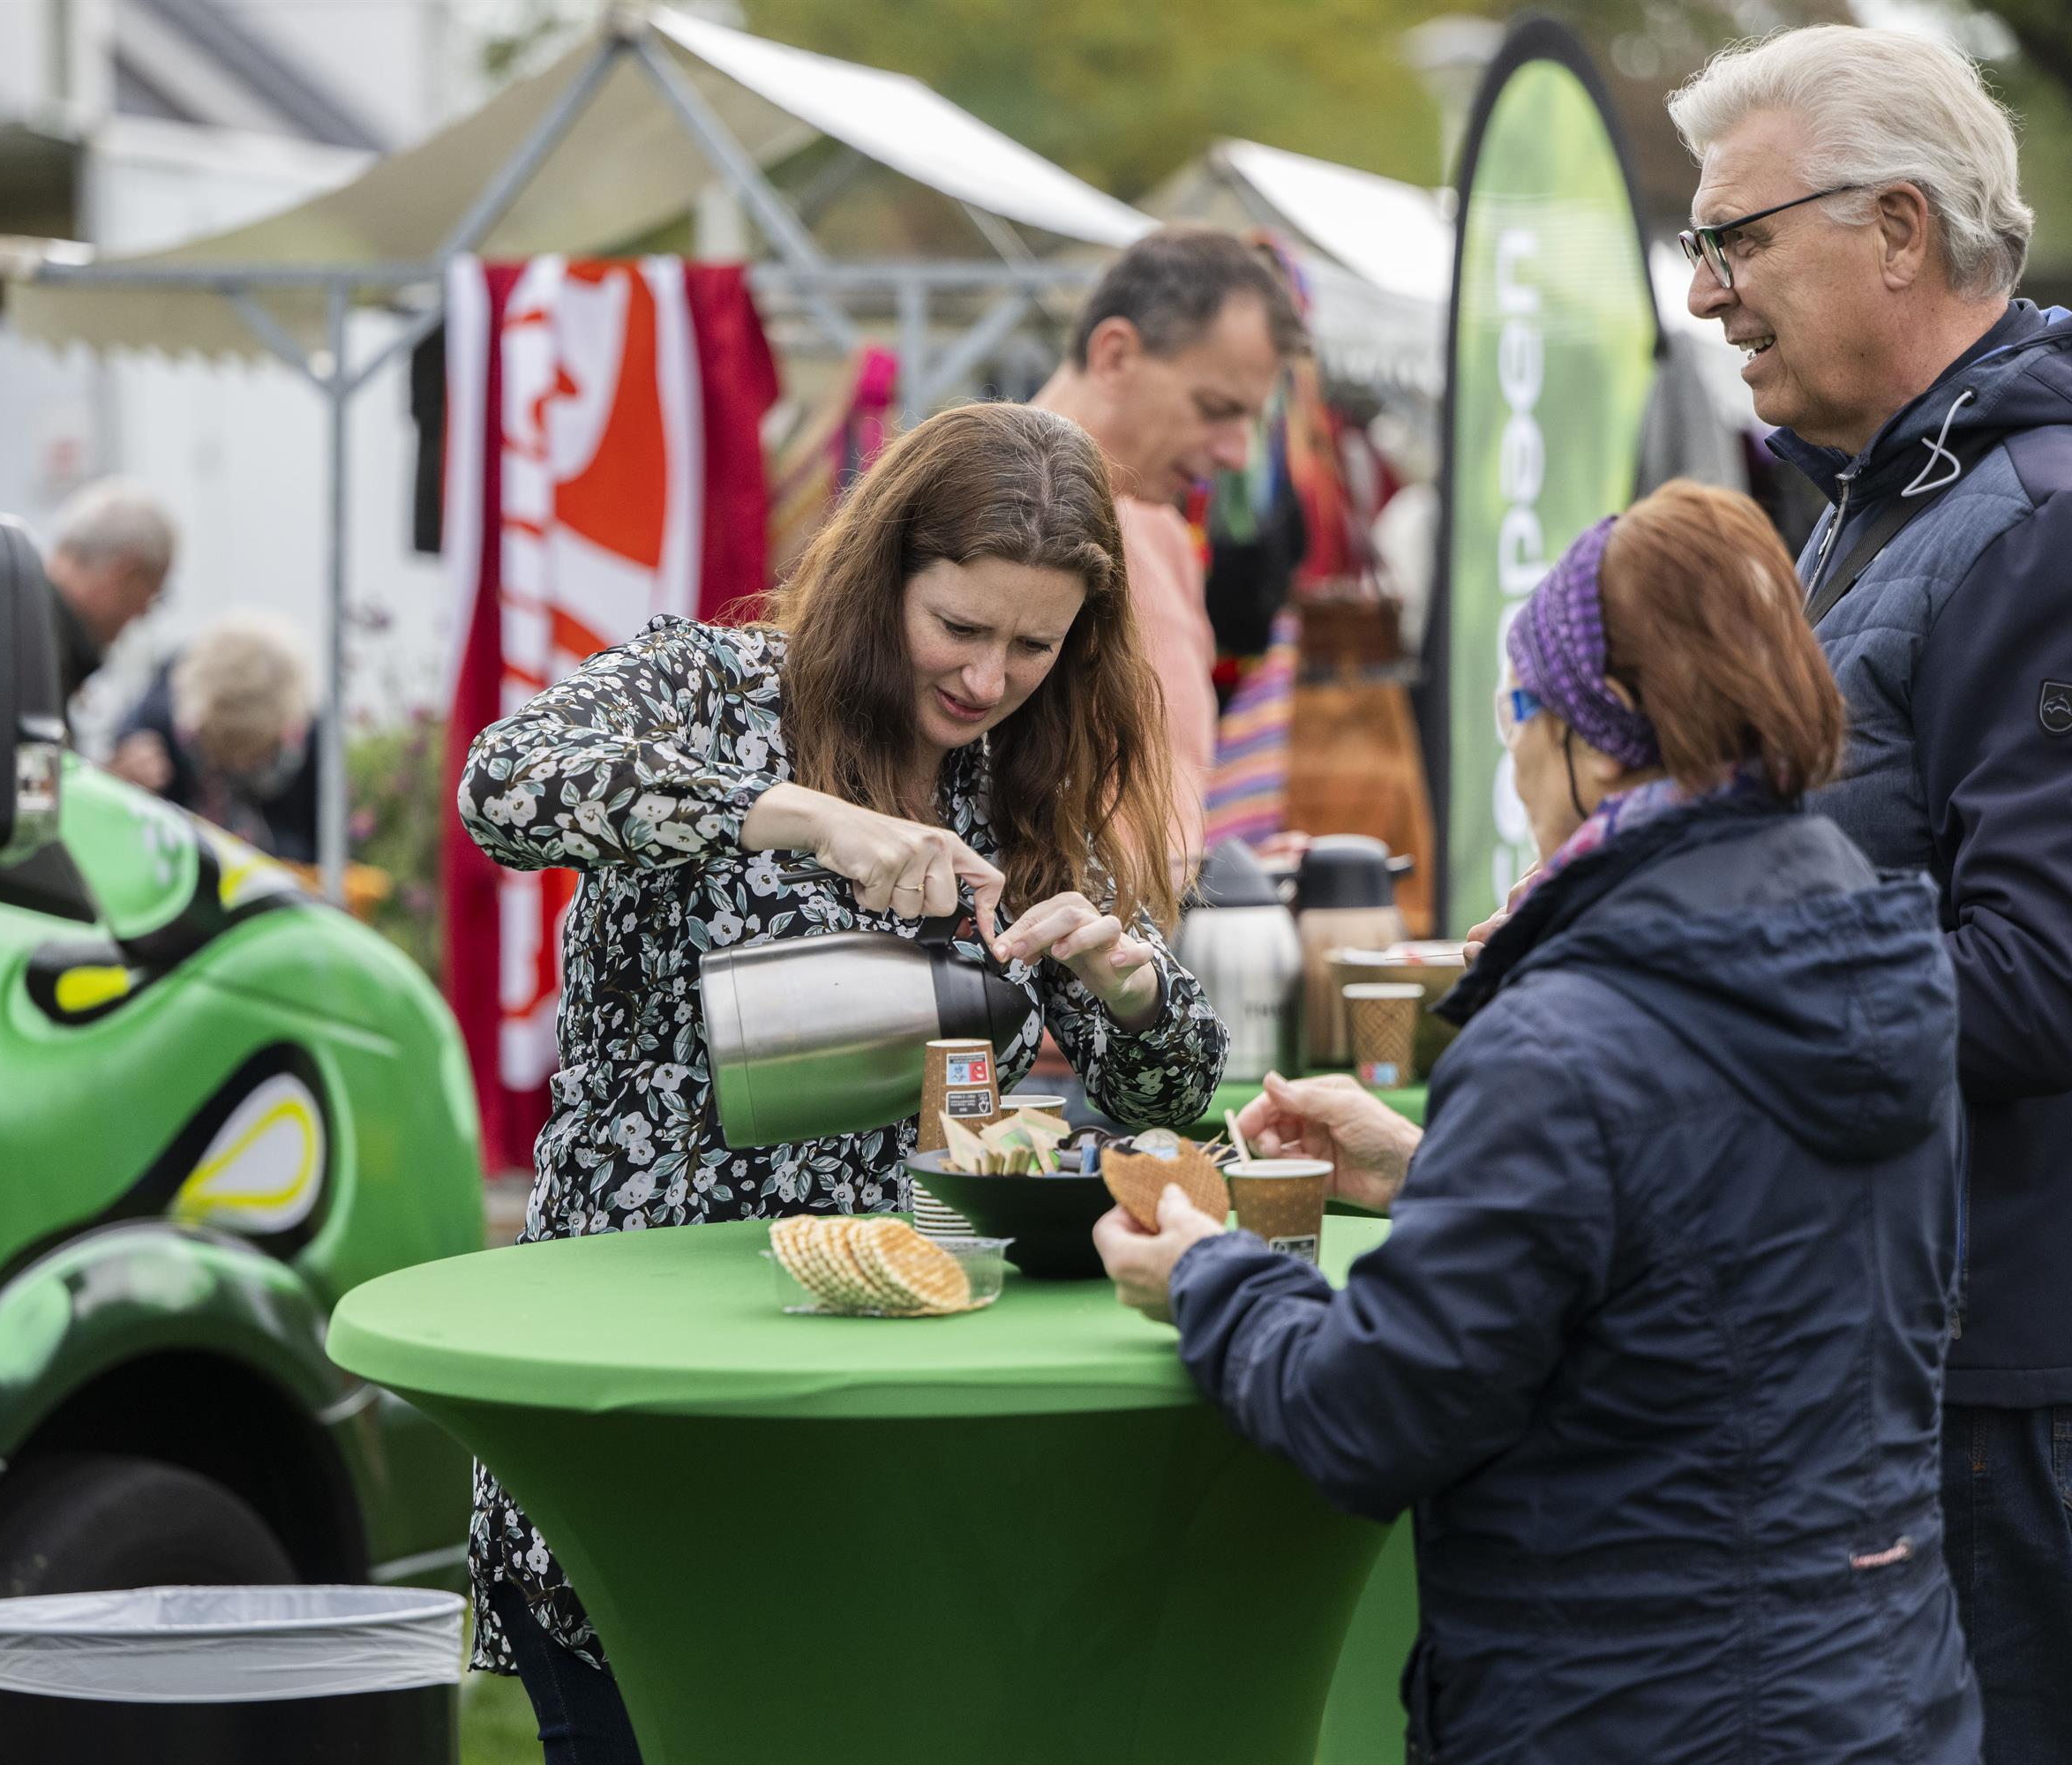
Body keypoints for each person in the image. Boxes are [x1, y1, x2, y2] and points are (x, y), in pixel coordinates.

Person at [1096, 484, 1978, 1761]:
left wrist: (1208, 1275)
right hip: (1878, 1691)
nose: (1513, 754)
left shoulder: (1563, 1037)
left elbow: (1372, 1411)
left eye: (1522, 711)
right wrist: (1434, 1167)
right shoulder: (1873, 963)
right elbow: (1722, 1232)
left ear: (1604, 741)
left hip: (1629, 1711)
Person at [453, 402, 1228, 1761]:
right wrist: (810, 817)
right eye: (961, 627)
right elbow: (506, 786)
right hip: (653, 1372)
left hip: (883, 1413)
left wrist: (1125, 981)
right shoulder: (715, 688)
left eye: (1033, 645)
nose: (990, 678)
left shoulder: (1022, 787)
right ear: (887, 581)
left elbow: (1175, 1098)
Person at [1669, 28, 2072, 1758]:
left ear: (1897, 229)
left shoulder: (2054, 518)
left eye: (1735, 240)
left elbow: (2043, 989)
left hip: (1984, 1351)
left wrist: (1680, 989)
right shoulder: (1902, 494)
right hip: (1902, 1321)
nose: (1706, 296)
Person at [1032, 225, 1305, 882]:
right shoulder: (973, 522)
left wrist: (1217, 873)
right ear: (1116, 355)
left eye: (1251, 421)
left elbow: (1152, 796)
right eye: (1216, 409)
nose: (1238, 453)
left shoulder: (1160, 537)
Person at [109, 609, 319, 861]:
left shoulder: (310, 740)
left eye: (254, 752)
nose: (239, 765)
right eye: (224, 749)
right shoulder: (155, 725)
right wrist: (120, 784)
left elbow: (321, 850)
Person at [43, 477, 176, 702]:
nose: (143, 613)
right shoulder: (40, 649)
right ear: (128, 574)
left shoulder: (19, 618)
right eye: (152, 596)